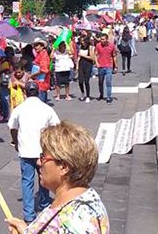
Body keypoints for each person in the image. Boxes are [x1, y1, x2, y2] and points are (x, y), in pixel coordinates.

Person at [6, 122, 110, 233]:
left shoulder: (75, 224)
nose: (38, 162)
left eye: (43, 157)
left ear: (64, 166)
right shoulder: (87, 196)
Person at [8, 81, 60, 224]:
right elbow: (57, 127)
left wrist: (16, 142)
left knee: (27, 181)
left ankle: (29, 214)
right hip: (43, 151)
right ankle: (44, 205)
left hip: (25, 150)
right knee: (45, 179)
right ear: (37, 92)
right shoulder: (46, 108)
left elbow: (12, 127)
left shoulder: (20, 109)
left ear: (25, 93)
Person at [95, 33, 117, 104]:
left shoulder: (112, 46)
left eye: (103, 39)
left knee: (108, 82)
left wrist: (115, 66)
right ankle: (101, 94)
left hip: (109, 66)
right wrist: (97, 63)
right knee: (100, 82)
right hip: (100, 66)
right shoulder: (98, 45)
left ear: (107, 39)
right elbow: (95, 55)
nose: (102, 41)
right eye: (101, 39)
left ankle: (108, 97)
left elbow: (114, 56)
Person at [30, 38, 50, 103]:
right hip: (38, 83)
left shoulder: (43, 55)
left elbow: (44, 70)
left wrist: (32, 75)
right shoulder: (40, 54)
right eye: (34, 45)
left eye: (37, 45)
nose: (35, 47)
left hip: (41, 84)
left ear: (42, 46)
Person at [77, 36, 95, 103]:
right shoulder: (80, 47)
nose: (82, 42)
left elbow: (92, 58)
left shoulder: (90, 47)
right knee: (80, 81)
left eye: (83, 41)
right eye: (81, 41)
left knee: (86, 81)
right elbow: (79, 57)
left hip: (88, 65)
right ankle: (82, 92)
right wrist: (77, 65)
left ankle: (88, 96)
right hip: (81, 64)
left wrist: (83, 55)